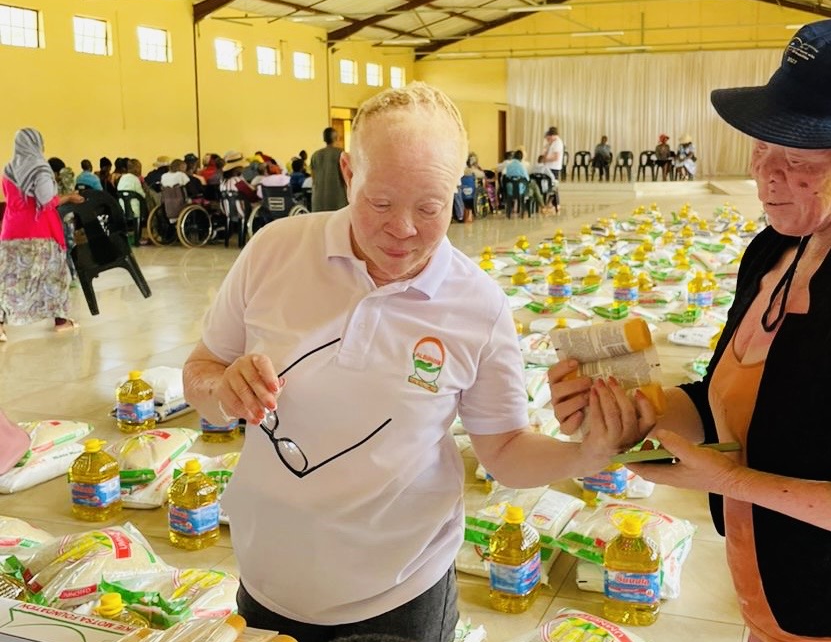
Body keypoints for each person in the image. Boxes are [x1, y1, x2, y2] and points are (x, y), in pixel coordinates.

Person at [182, 82, 642, 642]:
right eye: (380, 203)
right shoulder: (274, 250)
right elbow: (203, 368)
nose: (402, 230)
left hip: (399, 598)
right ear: (349, 173)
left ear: (458, 189)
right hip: (265, 583)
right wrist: (222, 390)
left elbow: (503, 450)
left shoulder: (477, 306)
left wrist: (586, 452)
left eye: (429, 208)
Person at [551, 18, 831, 642]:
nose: (766, 174)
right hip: (772, 587)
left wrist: (729, 480)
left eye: (796, 159)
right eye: (762, 146)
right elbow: (726, 402)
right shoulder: (775, 248)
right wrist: (627, 409)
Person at [0, 128, 84, 341]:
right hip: (40, 231)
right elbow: (46, 200)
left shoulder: (8, 169)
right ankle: (61, 321)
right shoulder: (39, 168)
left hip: (11, 230)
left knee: (9, 278)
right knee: (54, 275)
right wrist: (68, 197)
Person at [310, 126, 347, 212]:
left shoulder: (315, 155)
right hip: (337, 200)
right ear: (336, 138)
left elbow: (313, 178)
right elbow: (346, 178)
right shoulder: (341, 154)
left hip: (318, 201)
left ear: (324, 139)